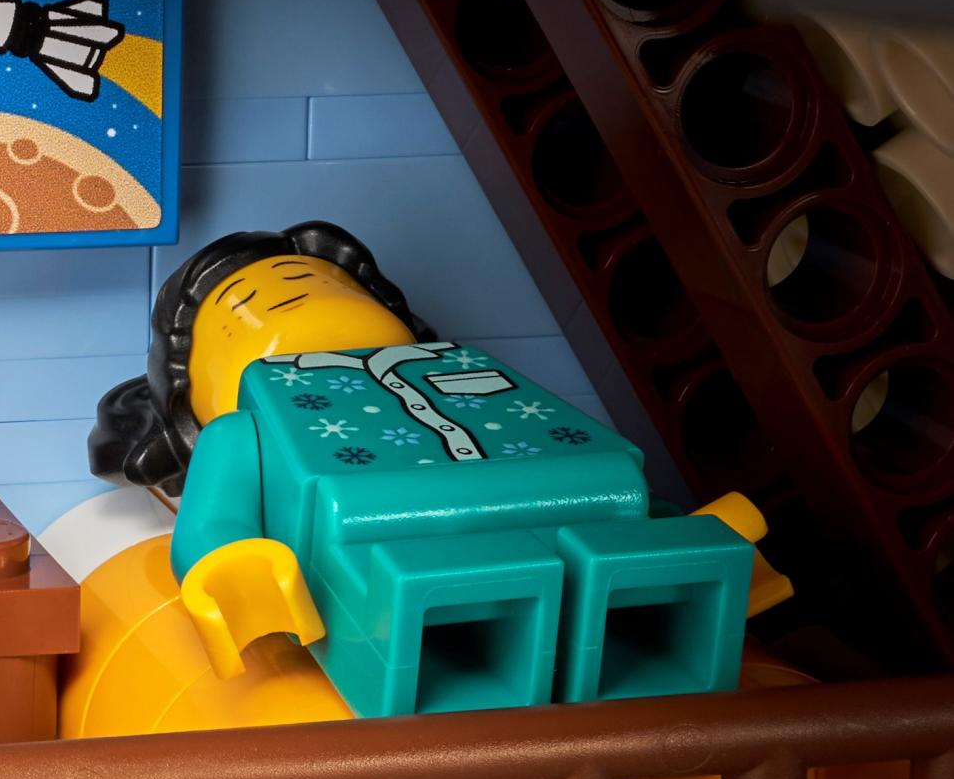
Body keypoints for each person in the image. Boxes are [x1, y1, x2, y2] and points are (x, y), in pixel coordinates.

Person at [91, 222, 760, 716]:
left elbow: (579, 447)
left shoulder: (469, 370)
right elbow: (215, 520)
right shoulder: (244, 428)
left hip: (582, 520)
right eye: (242, 307)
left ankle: (693, 567)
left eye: (312, 280)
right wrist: (230, 561)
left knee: (618, 507)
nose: (295, 297)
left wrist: (669, 520)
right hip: (397, 557)